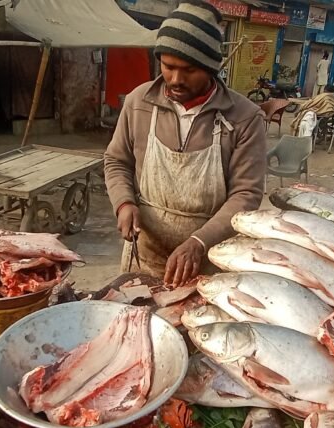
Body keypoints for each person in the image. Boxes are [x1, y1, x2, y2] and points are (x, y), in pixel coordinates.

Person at [103, 0, 266, 287]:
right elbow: (117, 160)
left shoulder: (244, 117)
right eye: (168, 66)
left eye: (189, 70)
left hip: (209, 258)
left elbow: (246, 195)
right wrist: (124, 202)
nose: (175, 79)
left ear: (211, 68)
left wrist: (198, 242)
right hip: (146, 251)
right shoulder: (139, 102)